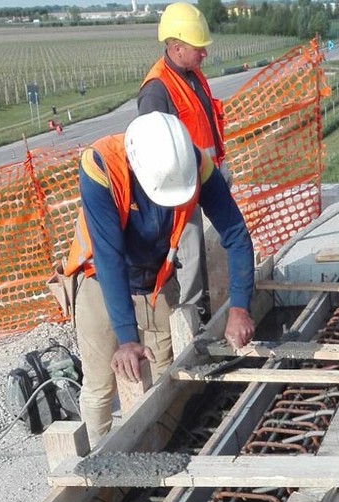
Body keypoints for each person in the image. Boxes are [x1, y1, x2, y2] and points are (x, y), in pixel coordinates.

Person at [63, 111, 254, 444]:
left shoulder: (192, 164)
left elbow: (236, 233)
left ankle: (160, 455)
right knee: (100, 385)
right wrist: (126, 337)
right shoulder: (101, 166)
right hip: (100, 281)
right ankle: (99, 470)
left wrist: (239, 306)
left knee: (166, 376)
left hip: (157, 281)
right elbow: (109, 257)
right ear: (137, 167)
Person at [138, 1, 227, 318]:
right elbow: (153, 153)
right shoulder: (157, 90)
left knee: (214, 243)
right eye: (198, 48)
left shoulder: (193, 75)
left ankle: (216, 298)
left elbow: (206, 125)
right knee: (189, 250)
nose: (204, 54)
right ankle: (192, 313)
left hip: (208, 176)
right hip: (182, 188)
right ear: (175, 47)